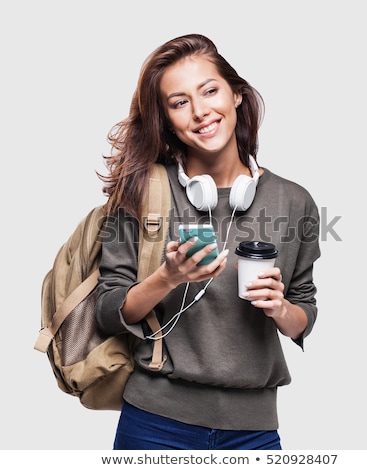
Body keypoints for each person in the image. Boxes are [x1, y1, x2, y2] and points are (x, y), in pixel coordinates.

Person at [95, 33, 321, 450]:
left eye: (210, 91)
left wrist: (281, 307)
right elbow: (109, 312)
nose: (200, 112)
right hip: (154, 425)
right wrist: (167, 277)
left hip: (253, 430)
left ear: (236, 94)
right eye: (180, 102)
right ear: (166, 118)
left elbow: (304, 311)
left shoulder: (294, 201)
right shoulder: (143, 192)